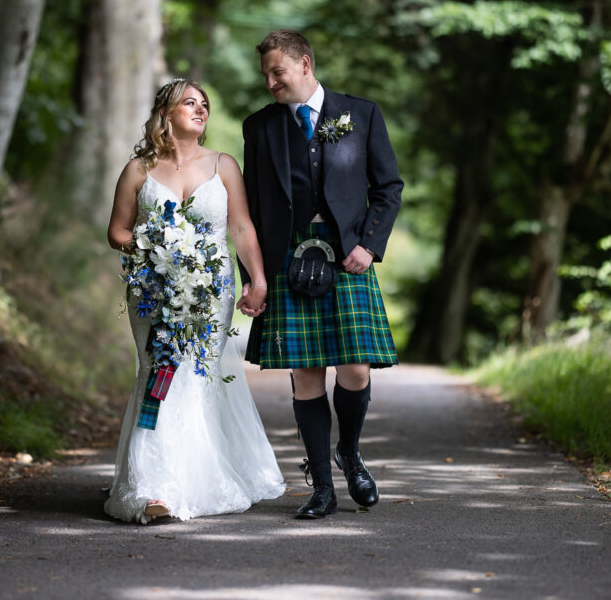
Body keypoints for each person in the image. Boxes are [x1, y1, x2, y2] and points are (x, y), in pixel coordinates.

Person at [238, 30, 404, 519]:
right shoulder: (260, 127)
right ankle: (322, 487)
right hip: (289, 255)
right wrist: (258, 274)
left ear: (305, 64)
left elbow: (388, 187)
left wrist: (370, 246)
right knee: (306, 374)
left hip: (348, 253)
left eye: (278, 72)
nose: (270, 82)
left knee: (355, 369)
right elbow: (252, 204)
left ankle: (349, 452)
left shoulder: (362, 113)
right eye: (265, 75)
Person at [104, 78, 285, 524]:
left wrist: (256, 280)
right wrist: (157, 243)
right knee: (158, 368)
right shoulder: (138, 169)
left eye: (205, 103)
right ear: (166, 113)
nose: (201, 109)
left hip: (211, 289)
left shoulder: (223, 165)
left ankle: (186, 481)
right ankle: (152, 487)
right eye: (190, 102)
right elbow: (117, 232)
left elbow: (241, 229)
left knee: (196, 373)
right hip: (152, 286)